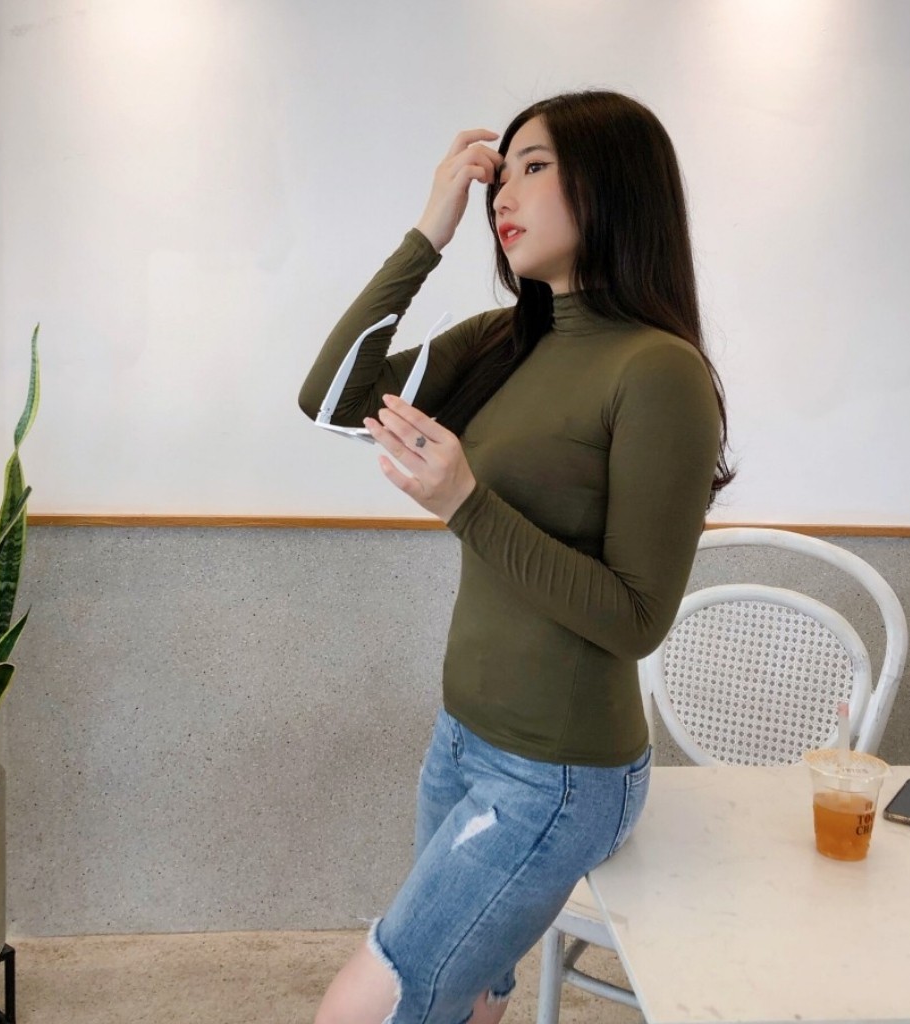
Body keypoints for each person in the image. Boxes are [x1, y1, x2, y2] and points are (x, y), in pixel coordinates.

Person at [298, 90, 733, 1024]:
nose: (503, 190)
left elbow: (637, 618)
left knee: (369, 1004)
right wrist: (430, 230)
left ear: (614, 187)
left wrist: (466, 503)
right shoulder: (507, 339)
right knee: (464, 991)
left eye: (535, 167)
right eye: (504, 170)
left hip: (560, 776)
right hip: (461, 737)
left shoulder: (658, 370)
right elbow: (331, 398)